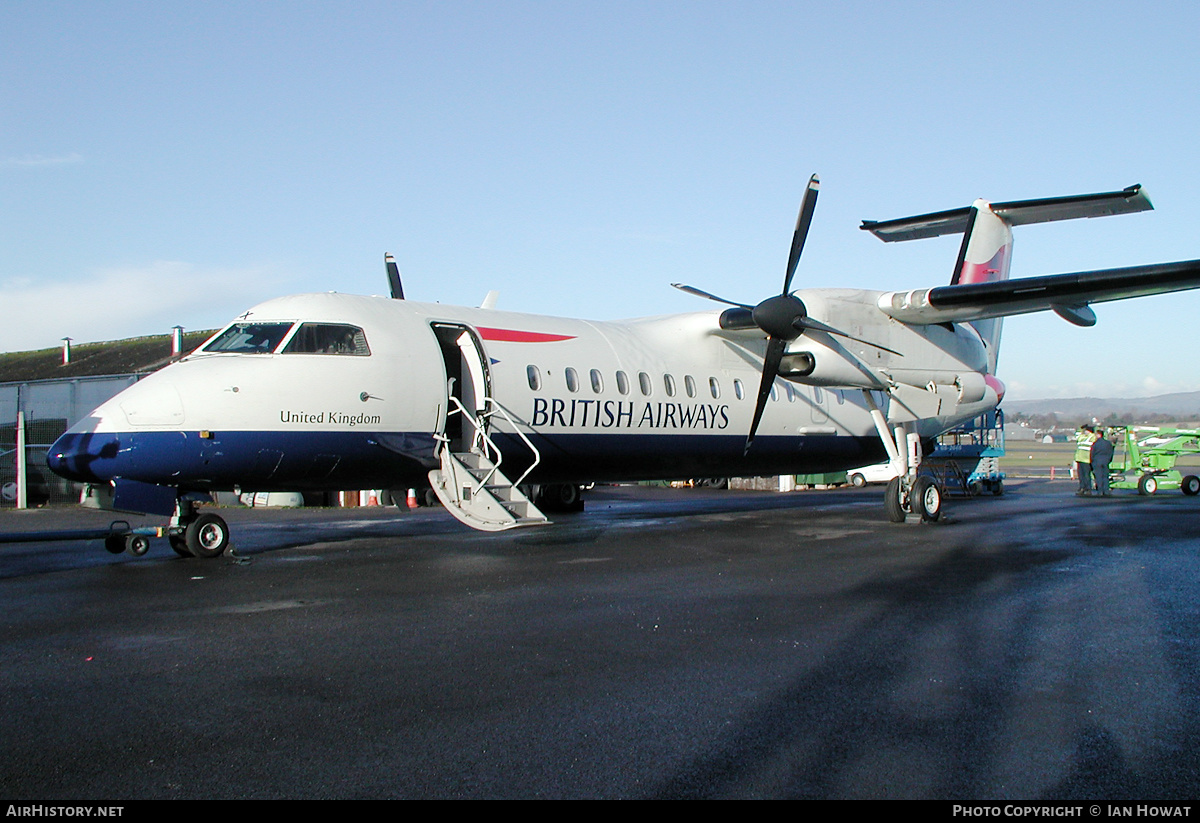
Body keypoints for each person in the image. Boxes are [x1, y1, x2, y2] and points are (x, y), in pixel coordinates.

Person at [1091, 428, 1115, 496]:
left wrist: (1092, 461)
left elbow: (1092, 453)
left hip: (1097, 461)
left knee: (1098, 477)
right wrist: (1109, 460)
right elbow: (1111, 452)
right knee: (1105, 477)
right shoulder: (1108, 443)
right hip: (1105, 461)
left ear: (1099, 435)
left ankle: (1100, 491)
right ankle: (1106, 491)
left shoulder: (1095, 444)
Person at [1075, 425, 1098, 495]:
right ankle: (1082, 488)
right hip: (1080, 458)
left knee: (1086, 475)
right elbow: (1077, 435)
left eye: (1086, 430)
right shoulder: (1082, 437)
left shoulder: (1092, 437)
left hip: (1087, 459)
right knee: (1081, 475)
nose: (1085, 431)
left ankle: (1088, 489)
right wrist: (1080, 428)